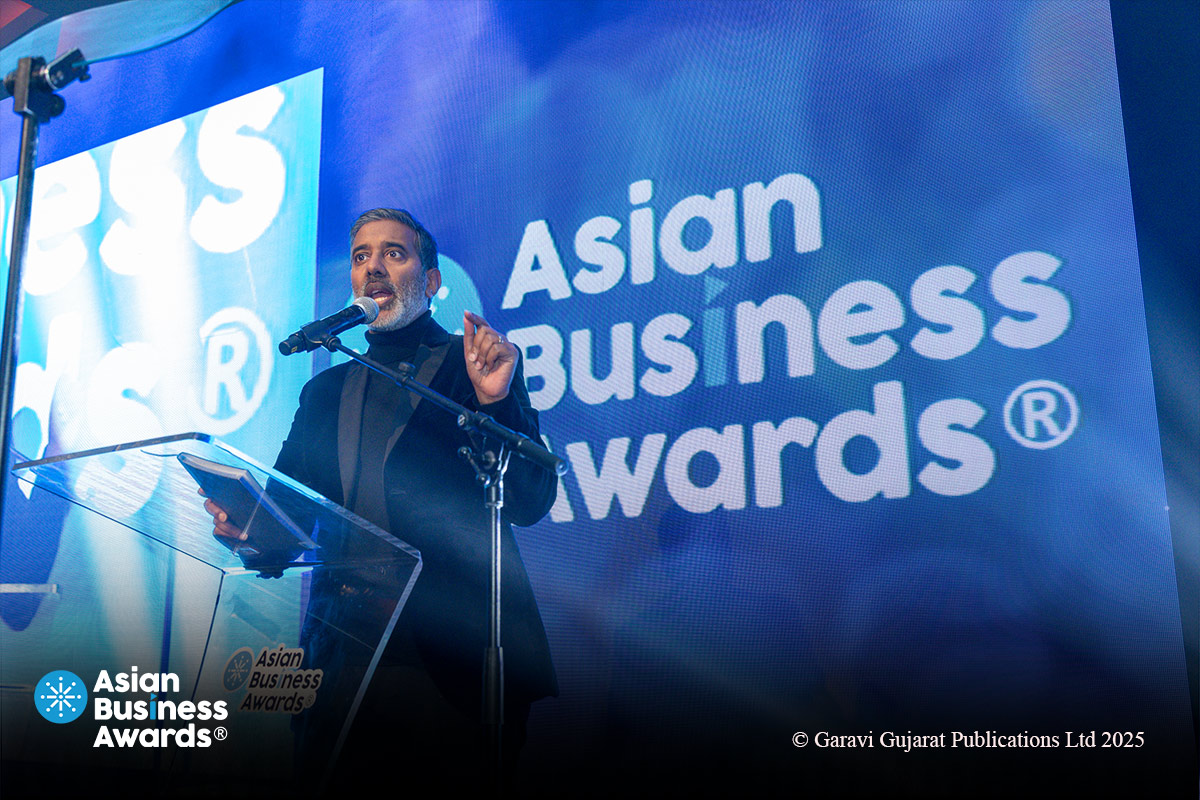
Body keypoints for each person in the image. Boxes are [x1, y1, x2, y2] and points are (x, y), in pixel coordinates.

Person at [205, 207, 557, 789]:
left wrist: (495, 404)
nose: (373, 267)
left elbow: (530, 501)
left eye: (394, 253)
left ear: (432, 280)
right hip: (341, 660)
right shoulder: (324, 391)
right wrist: (248, 529)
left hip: (448, 664)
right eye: (361, 256)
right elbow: (285, 520)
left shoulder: (474, 365)